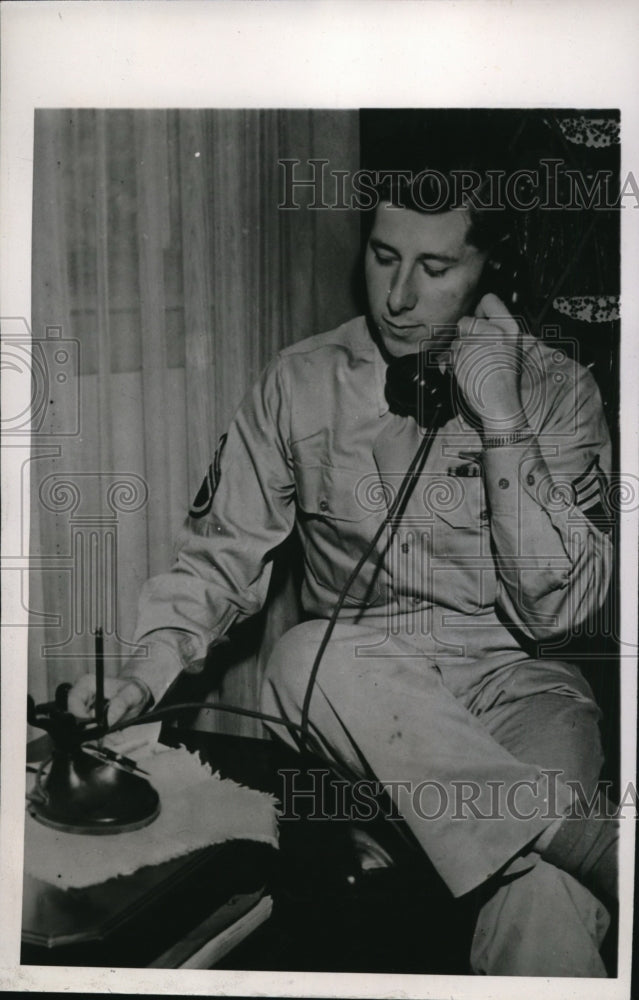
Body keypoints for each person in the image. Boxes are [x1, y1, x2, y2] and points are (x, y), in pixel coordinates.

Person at [68, 168, 617, 976]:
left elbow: (556, 615)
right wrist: (140, 677)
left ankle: (548, 853)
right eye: (382, 255)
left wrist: (500, 419)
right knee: (302, 654)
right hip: (359, 709)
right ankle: (584, 837)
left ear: (486, 273)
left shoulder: (557, 391)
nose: (397, 296)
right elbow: (222, 556)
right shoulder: (298, 380)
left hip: (517, 688)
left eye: (435, 270)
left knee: (544, 898)